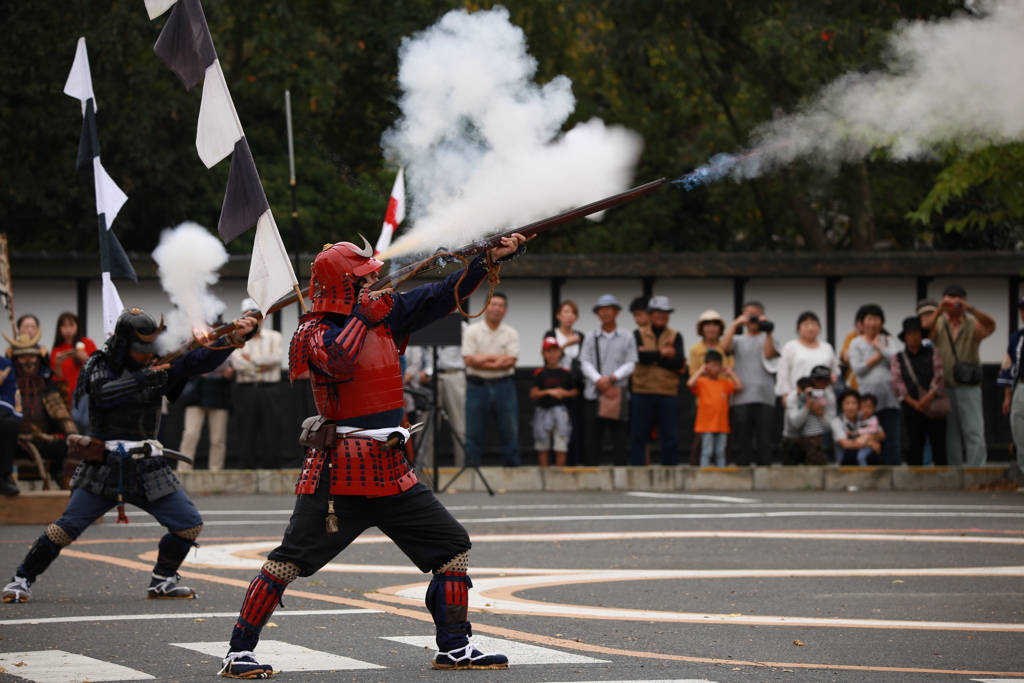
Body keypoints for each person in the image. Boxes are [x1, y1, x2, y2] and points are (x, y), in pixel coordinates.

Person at [218, 235, 525, 678]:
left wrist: (485, 261)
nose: (371, 284)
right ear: (342, 284)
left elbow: (442, 294)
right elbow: (338, 363)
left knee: (452, 549)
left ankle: (455, 647)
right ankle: (238, 651)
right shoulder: (311, 330)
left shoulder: (384, 314)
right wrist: (362, 317)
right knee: (287, 561)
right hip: (337, 470)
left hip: (390, 466)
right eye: (362, 279)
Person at [1, 307, 256, 604]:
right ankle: (21, 578)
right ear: (124, 344)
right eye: (140, 349)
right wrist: (143, 379)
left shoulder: (159, 363)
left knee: (189, 524)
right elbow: (102, 394)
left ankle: (163, 579)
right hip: (104, 463)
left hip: (147, 463)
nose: (147, 354)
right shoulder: (99, 362)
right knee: (64, 529)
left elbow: (196, 361)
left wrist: (236, 337)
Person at [921, 284, 996, 466]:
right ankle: (954, 470)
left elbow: (991, 325)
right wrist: (939, 309)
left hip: (969, 385)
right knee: (950, 432)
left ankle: (976, 469)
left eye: (958, 299)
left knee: (973, 429)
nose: (953, 303)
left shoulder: (972, 323)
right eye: (950, 299)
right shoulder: (939, 323)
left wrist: (969, 308)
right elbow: (924, 330)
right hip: (945, 385)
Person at [7, 331, 74, 485]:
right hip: (13, 442)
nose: (27, 361)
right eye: (22, 357)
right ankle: (5, 484)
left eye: (32, 356)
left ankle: (65, 486)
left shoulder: (46, 385)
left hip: (43, 441)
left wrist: (73, 436)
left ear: (38, 358)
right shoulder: (8, 386)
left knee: (70, 447)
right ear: (15, 360)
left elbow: (62, 415)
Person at [462, 292, 520, 467]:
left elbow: (512, 361)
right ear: (486, 307)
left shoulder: (511, 333)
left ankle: (512, 471)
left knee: (510, 431)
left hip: (505, 386)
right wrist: (499, 360)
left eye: (501, 305)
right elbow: (469, 360)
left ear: (505, 310)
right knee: (473, 432)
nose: (496, 308)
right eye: (493, 304)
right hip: (477, 386)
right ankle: (471, 471)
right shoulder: (472, 331)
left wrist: (484, 357)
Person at [579, 294, 637, 466]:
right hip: (593, 394)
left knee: (619, 437)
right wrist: (600, 381)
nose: (605, 313)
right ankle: (591, 472)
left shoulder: (627, 337)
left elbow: (631, 363)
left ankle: (620, 474)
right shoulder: (591, 337)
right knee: (592, 436)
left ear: (616, 312)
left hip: (617, 395)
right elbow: (584, 362)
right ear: (597, 313)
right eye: (601, 310)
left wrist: (611, 379)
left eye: (608, 309)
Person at [721, 301, 780, 466]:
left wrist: (767, 329)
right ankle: (742, 469)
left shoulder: (771, 338)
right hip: (742, 396)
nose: (752, 318)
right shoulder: (738, 340)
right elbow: (724, 348)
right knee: (742, 438)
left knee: (765, 438)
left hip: (765, 396)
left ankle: (765, 468)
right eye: (749, 314)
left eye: (756, 314)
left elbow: (769, 354)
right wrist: (734, 324)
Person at [230, 299, 284, 469]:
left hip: (270, 389)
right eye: (250, 315)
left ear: (264, 316)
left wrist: (252, 360)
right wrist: (262, 365)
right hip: (246, 390)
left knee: (271, 428)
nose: (255, 319)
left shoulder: (275, 336)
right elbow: (238, 364)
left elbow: (276, 359)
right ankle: (247, 468)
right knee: (246, 429)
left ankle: (272, 467)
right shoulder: (237, 338)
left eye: (258, 315)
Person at [631, 296, 684, 465]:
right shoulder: (637, 334)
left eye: (665, 312)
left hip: (667, 391)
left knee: (670, 435)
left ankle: (670, 470)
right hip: (642, 390)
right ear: (650, 314)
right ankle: (637, 470)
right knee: (639, 434)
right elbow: (638, 357)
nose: (661, 315)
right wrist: (662, 353)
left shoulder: (676, 335)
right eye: (657, 312)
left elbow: (677, 362)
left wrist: (651, 355)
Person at [847, 304, 901, 465]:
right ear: (861, 323)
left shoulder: (887, 340)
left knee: (892, 437)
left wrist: (879, 347)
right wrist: (878, 357)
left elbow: (896, 360)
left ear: (882, 322)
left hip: (890, 399)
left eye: (876, 319)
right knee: (867, 437)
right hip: (867, 402)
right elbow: (858, 369)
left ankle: (894, 473)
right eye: (869, 319)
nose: (873, 323)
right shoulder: (856, 343)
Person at [892, 316, 947, 467]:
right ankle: (914, 475)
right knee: (915, 441)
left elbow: (939, 376)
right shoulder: (898, 357)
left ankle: (943, 474)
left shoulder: (933, 352)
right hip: (911, 407)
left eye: (916, 332)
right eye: (910, 333)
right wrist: (913, 402)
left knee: (939, 441)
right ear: (905, 336)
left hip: (934, 403)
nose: (914, 336)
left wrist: (928, 397)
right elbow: (897, 383)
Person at [543, 300, 586, 465]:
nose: (570, 316)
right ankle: (554, 462)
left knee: (575, 424)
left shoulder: (580, 336)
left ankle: (576, 461)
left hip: (574, 385)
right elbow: (549, 357)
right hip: (554, 384)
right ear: (558, 315)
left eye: (573, 313)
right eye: (566, 312)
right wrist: (567, 343)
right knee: (553, 426)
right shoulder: (551, 334)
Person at [177, 357, 234, 472]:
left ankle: (215, 471)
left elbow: (233, 372)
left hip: (220, 393)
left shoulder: (228, 348)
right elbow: (182, 370)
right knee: (190, 435)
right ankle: (183, 470)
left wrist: (230, 373)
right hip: (196, 394)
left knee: (218, 438)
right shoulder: (196, 346)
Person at [416, 343, 469, 468]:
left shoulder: (461, 326)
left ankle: (462, 470)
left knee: (460, 427)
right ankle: (424, 473)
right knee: (426, 429)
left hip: (454, 374)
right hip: (430, 379)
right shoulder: (425, 324)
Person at [687, 349, 742, 467]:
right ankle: (705, 476)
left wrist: (731, 373)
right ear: (707, 366)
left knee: (720, 451)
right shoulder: (702, 382)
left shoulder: (725, 383)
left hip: (722, 425)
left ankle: (721, 475)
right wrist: (701, 370)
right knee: (707, 451)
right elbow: (690, 383)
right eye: (713, 365)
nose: (716, 368)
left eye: (718, 365)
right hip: (706, 425)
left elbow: (739, 386)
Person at [529, 337, 577, 467]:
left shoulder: (566, 373)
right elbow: (533, 393)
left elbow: (574, 391)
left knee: (561, 445)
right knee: (542, 444)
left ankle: (559, 477)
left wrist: (563, 393)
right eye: (548, 351)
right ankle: (544, 476)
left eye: (555, 351)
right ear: (543, 354)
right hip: (543, 412)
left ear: (560, 353)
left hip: (561, 412)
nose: (552, 355)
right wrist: (549, 392)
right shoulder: (539, 373)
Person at [775, 311, 839, 407]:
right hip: (797, 396)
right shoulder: (790, 346)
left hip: (822, 398)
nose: (810, 327)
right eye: (806, 324)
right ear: (799, 328)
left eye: (814, 324)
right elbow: (783, 374)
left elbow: (835, 369)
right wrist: (785, 394)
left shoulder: (827, 347)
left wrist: (834, 376)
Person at [50, 312, 97, 431]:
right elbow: (57, 379)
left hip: (85, 393)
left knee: (87, 426)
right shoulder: (57, 350)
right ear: (59, 329)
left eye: (71, 325)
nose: (68, 330)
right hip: (67, 395)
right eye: (64, 326)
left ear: (77, 327)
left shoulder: (87, 343)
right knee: (72, 430)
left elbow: (99, 368)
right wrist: (58, 364)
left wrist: (86, 358)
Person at [783, 365, 836, 466]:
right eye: (817, 380)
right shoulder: (794, 396)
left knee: (816, 445)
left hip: (816, 439)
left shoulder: (829, 397)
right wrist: (806, 407)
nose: (820, 384)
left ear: (829, 382)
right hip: (794, 438)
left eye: (824, 381)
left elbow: (829, 427)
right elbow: (793, 426)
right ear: (811, 380)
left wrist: (820, 413)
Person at [998, 296, 1024, 476]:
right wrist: (1007, 396)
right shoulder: (1018, 337)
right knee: (1019, 431)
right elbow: (1008, 366)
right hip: (1020, 387)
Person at [831, 388, 883, 466]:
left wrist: (865, 437)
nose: (851, 407)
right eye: (847, 403)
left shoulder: (864, 415)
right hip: (846, 460)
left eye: (854, 403)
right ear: (841, 406)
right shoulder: (836, 422)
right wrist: (870, 442)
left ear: (859, 405)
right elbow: (845, 444)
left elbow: (882, 434)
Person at [0, 355, 22, 496]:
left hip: (1, 408)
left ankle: (3, 478)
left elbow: (9, 392)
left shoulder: (4, 363)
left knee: (9, 424)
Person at [688, 309, 733, 376]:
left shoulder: (727, 347)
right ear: (701, 328)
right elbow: (693, 374)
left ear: (720, 328)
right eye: (707, 325)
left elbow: (731, 371)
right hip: (703, 386)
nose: (711, 328)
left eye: (715, 325)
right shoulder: (695, 349)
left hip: (725, 385)